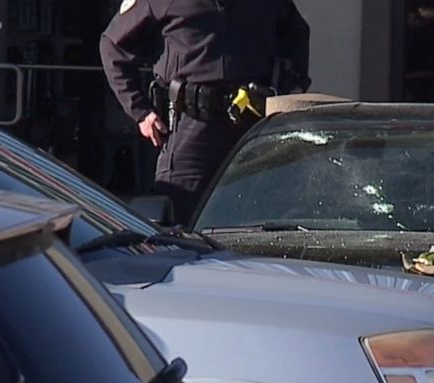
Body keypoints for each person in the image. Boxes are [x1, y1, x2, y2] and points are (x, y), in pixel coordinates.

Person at [100, 0, 311, 225]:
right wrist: (141, 112)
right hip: (192, 128)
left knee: (256, 221)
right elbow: (112, 46)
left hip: (252, 126)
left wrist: (289, 89)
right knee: (178, 222)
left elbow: (297, 34)